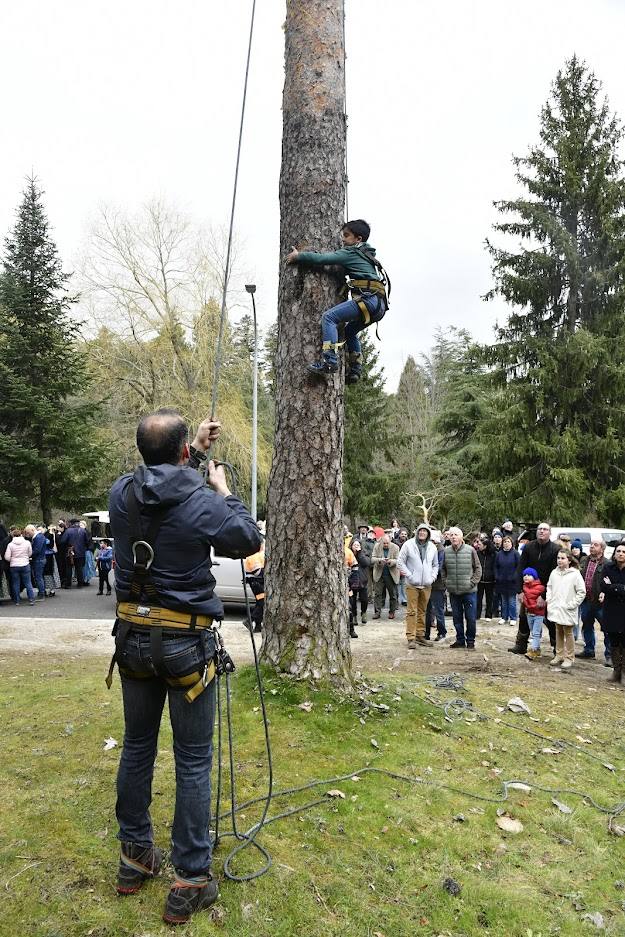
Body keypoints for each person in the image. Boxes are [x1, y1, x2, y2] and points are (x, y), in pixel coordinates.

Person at [109, 409, 261, 925]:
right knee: (194, 759)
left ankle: (134, 858)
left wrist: (191, 453)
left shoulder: (120, 493)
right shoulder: (201, 500)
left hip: (132, 639)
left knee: (137, 746)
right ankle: (191, 877)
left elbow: (158, 485)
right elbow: (245, 538)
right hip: (184, 645)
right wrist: (221, 488)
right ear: (179, 454)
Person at [286, 219, 388, 382]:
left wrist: (299, 256)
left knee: (329, 317)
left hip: (368, 300)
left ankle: (330, 362)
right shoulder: (367, 256)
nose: (342, 239)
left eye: (346, 235)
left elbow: (323, 259)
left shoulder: (351, 252)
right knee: (349, 332)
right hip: (379, 306)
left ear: (358, 239)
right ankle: (355, 369)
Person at [510, 522, 560, 656]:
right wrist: (519, 590)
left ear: (550, 533)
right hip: (527, 590)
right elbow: (520, 568)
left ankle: (557, 649)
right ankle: (521, 645)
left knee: (551, 620)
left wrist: (543, 596)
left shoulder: (555, 549)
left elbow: (554, 575)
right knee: (524, 617)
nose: (542, 531)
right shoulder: (528, 547)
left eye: (545, 529)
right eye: (540, 529)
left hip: (547, 591)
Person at [397, 524, 439, 649]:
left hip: (426, 584)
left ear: (428, 533)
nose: (422, 533)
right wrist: (410, 575)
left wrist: (432, 578)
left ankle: (420, 636)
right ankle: (411, 637)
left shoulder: (432, 547)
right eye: (420, 531)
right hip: (412, 584)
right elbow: (400, 562)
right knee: (411, 611)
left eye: (424, 531)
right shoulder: (408, 545)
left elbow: (435, 565)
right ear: (417, 532)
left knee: (423, 611)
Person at [546, 550, 586, 670]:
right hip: (556, 608)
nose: (560, 560)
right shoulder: (554, 573)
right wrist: (550, 600)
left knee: (568, 632)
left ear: (569, 560)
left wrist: (572, 604)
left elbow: (581, 592)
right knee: (558, 630)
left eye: (563, 558)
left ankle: (569, 657)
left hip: (567, 609)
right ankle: (559, 655)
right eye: (558, 558)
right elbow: (549, 587)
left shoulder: (575, 574)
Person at [442, 527, 481, 649]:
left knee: (470, 618)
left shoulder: (470, 550)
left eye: (456, 535)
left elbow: (478, 568)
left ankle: (470, 641)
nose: (453, 537)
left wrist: (472, 583)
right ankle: (460, 640)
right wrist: (446, 582)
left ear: (461, 537)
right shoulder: (446, 551)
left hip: (469, 591)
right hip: (453, 591)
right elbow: (443, 569)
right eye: (451, 535)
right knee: (457, 618)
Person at [575, 539, 608, 662]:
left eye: (595, 545)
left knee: (606, 628)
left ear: (602, 548)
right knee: (587, 625)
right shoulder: (584, 560)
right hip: (586, 600)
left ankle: (609, 655)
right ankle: (589, 650)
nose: (592, 547)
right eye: (591, 545)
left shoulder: (607, 563)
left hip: (600, 603)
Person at [598, 542, 625, 683]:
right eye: (618, 551)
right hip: (611, 609)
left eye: (623, 551)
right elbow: (603, 585)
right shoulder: (608, 568)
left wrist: (613, 587)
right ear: (614, 553)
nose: (620, 553)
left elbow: (610, 587)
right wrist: (620, 588)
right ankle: (616, 672)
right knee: (613, 641)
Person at [425, 530, 447, 641]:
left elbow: (440, 568)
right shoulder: (425, 549)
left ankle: (442, 632)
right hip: (426, 584)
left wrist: (427, 572)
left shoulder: (441, 550)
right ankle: (426, 633)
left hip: (438, 585)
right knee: (426, 610)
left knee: (438, 610)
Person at [372, 534, 400, 619]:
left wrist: (391, 561)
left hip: (391, 574)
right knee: (377, 594)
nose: (385, 545)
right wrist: (380, 560)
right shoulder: (377, 546)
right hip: (379, 573)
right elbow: (372, 558)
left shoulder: (395, 547)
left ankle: (392, 612)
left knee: (393, 594)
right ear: (381, 542)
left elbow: (398, 560)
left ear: (390, 541)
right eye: (384, 543)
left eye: (387, 543)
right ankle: (377, 612)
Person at [4, 528, 35, 606]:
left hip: (14, 566)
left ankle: (17, 600)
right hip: (25, 564)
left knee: (15, 583)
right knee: (28, 583)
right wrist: (25, 557)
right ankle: (31, 599)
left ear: (13, 535)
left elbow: (7, 557)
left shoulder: (10, 545)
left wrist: (13, 559)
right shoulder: (27, 543)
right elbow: (30, 553)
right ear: (21, 534)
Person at [494, 535, 520, 626]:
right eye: (505, 542)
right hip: (502, 582)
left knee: (512, 601)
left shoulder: (515, 553)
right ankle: (504, 617)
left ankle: (513, 618)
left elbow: (519, 567)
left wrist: (514, 576)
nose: (506, 543)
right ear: (502, 544)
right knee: (504, 602)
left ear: (511, 543)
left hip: (512, 582)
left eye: (508, 542)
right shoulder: (499, 554)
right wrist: (497, 576)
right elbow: (496, 567)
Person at [521, 567, 546, 660]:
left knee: (535, 633)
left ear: (534, 577)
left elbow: (543, 601)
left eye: (529, 575)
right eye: (524, 575)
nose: (526, 577)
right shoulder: (524, 587)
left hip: (538, 614)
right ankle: (538, 649)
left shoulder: (541, 588)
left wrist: (535, 607)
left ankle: (533, 650)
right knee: (534, 632)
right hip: (529, 613)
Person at [348, 538, 371, 637]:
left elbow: (366, 563)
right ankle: (354, 616)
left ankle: (364, 613)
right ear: (351, 545)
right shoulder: (349, 554)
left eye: (358, 545)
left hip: (363, 581)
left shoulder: (364, 554)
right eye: (355, 545)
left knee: (364, 599)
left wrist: (360, 553)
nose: (356, 547)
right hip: (352, 581)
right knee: (352, 600)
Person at [59, 519, 90, 588]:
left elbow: (63, 541)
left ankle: (68, 584)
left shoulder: (68, 531)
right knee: (79, 568)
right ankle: (80, 584)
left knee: (69, 568)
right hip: (81, 552)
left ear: (71, 523)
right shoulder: (83, 530)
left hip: (70, 552)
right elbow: (87, 541)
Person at [244, 540, 265, 633]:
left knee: (259, 603)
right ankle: (249, 620)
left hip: (257, 583)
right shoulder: (254, 556)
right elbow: (257, 572)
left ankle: (258, 626)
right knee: (262, 602)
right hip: (256, 583)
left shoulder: (255, 555)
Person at [25, 523, 47, 600]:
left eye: (28, 532)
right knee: (39, 577)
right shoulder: (38, 537)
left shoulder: (38, 537)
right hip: (40, 559)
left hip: (39, 560)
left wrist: (28, 555)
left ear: (32, 530)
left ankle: (42, 594)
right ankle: (42, 592)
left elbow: (37, 550)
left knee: (38, 578)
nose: (28, 534)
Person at [476, 535, 496, 621]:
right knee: (478, 599)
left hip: (490, 580)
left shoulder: (494, 554)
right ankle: (477, 615)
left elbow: (496, 566)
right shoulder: (477, 553)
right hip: (479, 580)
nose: (478, 546)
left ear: (485, 545)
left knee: (490, 599)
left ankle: (488, 615)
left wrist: (494, 576)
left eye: (480, 544)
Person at [395, 528, 409, 605]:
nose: (403, 535)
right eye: (402, 534)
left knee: (404, 583)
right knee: (397, 582)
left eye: (405, 534)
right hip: (397, 564)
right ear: (399, 534)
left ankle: (404, 599)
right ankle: (397, 599)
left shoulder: (409, 543)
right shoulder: (395, 542)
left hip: (406, 564)